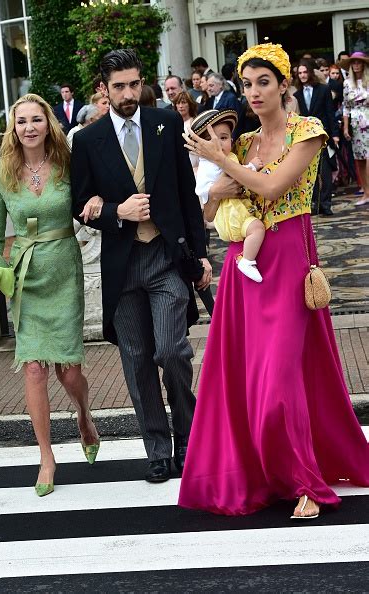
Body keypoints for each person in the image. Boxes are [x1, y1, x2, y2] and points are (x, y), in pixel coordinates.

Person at [179, 43, 369, 519]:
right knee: (247, 377)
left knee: (282, 377)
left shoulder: (308, 131)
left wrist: (220, 164)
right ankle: (267, 473)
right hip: (248, 265)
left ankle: (306, 480)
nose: (254, 92)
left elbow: (269, 187)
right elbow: (209, 213)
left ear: (284, 84)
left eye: (264, 82)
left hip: (290, 261)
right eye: (247, 84)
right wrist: (213, 187)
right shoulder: (241, 143)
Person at [70, 49, 211, 484]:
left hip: (166, 256)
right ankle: (157, 447)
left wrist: (201, 251)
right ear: (104, 88)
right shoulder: (89, 141)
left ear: (141, 81)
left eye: (134, 84)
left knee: (171, 350)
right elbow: (80, 205)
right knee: (136, 359)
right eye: (119, 87)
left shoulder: (165, 125)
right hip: (122, 264)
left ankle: (186, 438)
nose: (129, 93)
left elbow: (187, 194)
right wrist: (116, 211)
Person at [0, 94, 100, 496]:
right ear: (12, 129)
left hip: (64, 271)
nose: (29, 127)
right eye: (21, 122)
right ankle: (46, 456)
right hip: (25, 277)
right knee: (34, 368)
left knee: (68, 370)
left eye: (36, 120)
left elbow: (88, 202)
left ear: (48, 123)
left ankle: (84, 414)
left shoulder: (69, 163)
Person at [193, 109, 265, 282]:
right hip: (231, 216)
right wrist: (252, 167)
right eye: (210, 140)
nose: (217, 145)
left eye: (223, 138)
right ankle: (246, 261)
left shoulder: (232, 154)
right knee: (257, 228)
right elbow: (235, 175)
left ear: (232, 140)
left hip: (236, 212)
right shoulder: (210, 164)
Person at [294, 59, 340, 215]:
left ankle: (326, 204)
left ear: (311, 72)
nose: (302, 75)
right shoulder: (296, 94)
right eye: (300, 73)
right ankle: (314, 203)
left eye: (305, 72)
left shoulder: (323, 89)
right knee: (309, 172)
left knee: (325, 171)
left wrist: (335, 135)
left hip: (323, 135)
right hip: (306, 138)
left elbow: (330, 112)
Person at [341, 52, 369, 205]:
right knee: (359, 160)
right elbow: (346, 106)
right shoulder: (347, 83)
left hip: (368, 118)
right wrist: (345, 128)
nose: (356, 65)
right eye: (354, 62)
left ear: (364, 64)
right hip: (356, 123)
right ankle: (366, 192)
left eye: (359, 62)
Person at [173, 90, 199, 171]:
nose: (180, 106)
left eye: (184, 102)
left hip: (194, 163)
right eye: (178, 103)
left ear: (190, 105)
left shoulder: (196, 123)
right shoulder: (172, 123)